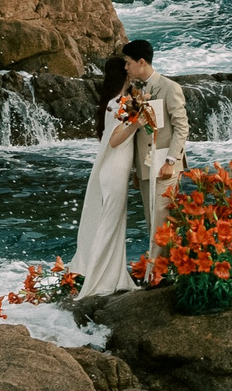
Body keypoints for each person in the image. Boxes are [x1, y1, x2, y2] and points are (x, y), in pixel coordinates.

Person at [64, 54, 152, 297]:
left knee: (115, 225)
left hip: (118, 170)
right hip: (113, 172)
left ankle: (112, 276)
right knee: (110, 225)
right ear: (122, 73)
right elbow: (113, 141)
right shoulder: (117, 104)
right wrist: (136, 123)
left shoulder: (122, 101)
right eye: (126, 66)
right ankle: (98, 281)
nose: (129, 68)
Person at [120, 39, 189, 278]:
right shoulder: (134, 90)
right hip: (146, 168)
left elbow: (182, 128)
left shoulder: (170, 88)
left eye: (128, 63)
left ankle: (157, 276)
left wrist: (171, 161)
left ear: (141, 62)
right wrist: (137, 172)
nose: (125, 68)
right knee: (152, 223)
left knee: (162, 222)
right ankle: (161, 272)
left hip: (166, 166)